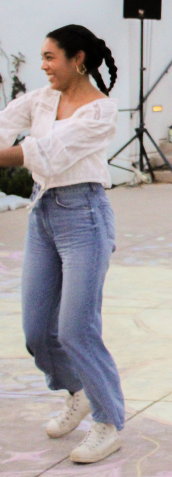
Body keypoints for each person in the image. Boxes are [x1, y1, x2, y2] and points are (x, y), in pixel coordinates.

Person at [0, 25, 125, 463]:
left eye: (51, 57)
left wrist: (5, 154)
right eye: (42, 57)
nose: (44, 65)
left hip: (85, 217)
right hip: (44, 215)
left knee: (77, 328)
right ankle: (77, 391)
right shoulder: (40, 99)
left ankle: (108, 421)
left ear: (78, 60)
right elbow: (5, 126)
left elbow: (50, 151)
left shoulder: (101, 111)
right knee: (37, 330)